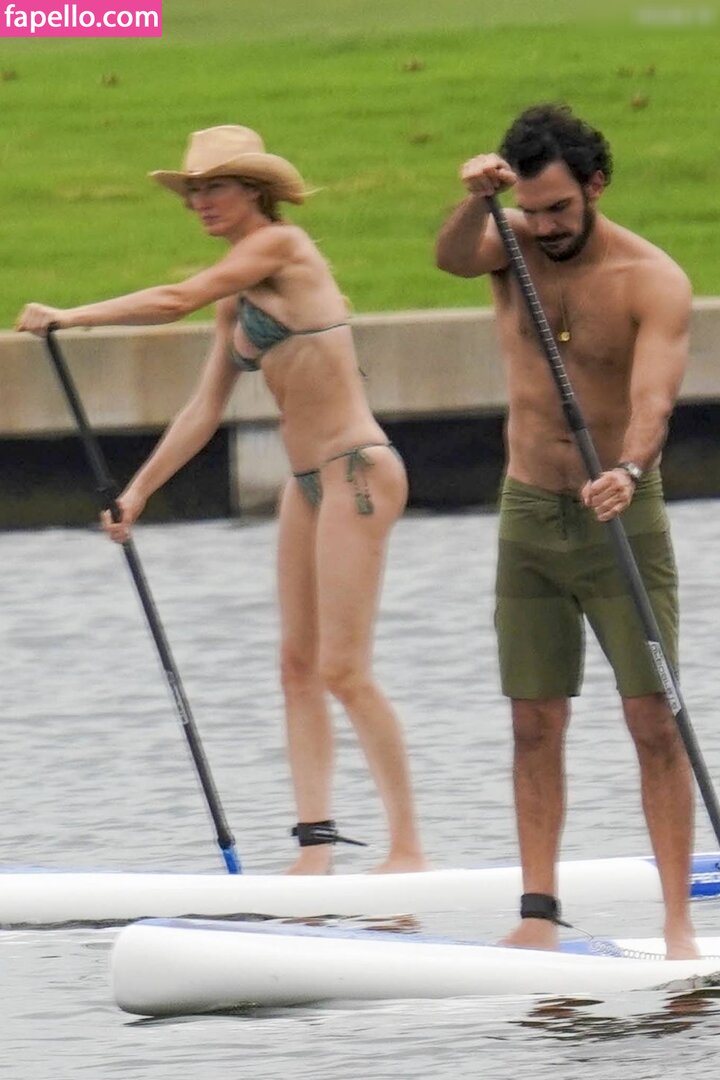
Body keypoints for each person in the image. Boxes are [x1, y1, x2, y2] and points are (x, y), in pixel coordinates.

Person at [17, 124, 427, 876]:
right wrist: (137, 493)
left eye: (216, 188)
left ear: (256, 191)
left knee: (343, 669)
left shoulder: (283, 247)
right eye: (194, 191)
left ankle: (408, 852)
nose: (200, 202)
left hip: (356, 472)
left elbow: (174, 298)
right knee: (295, 667)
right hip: (306, 484)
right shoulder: (237, 300)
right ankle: (315, 850)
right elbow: (203, 409)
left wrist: (71, 316)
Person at [435, 103, 697, 958]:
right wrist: (476, 200)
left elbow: (654, 399)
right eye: (531, 210)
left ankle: (677, 926)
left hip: (619, 512)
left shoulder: (651, 279)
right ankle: (539, 912)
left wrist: (629, 470)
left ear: (596, 186)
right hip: (528, 513)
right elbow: (449, 258)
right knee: (534, 722)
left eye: (559, 209)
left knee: (652, 721)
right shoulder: (507, 245)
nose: (544, 227)